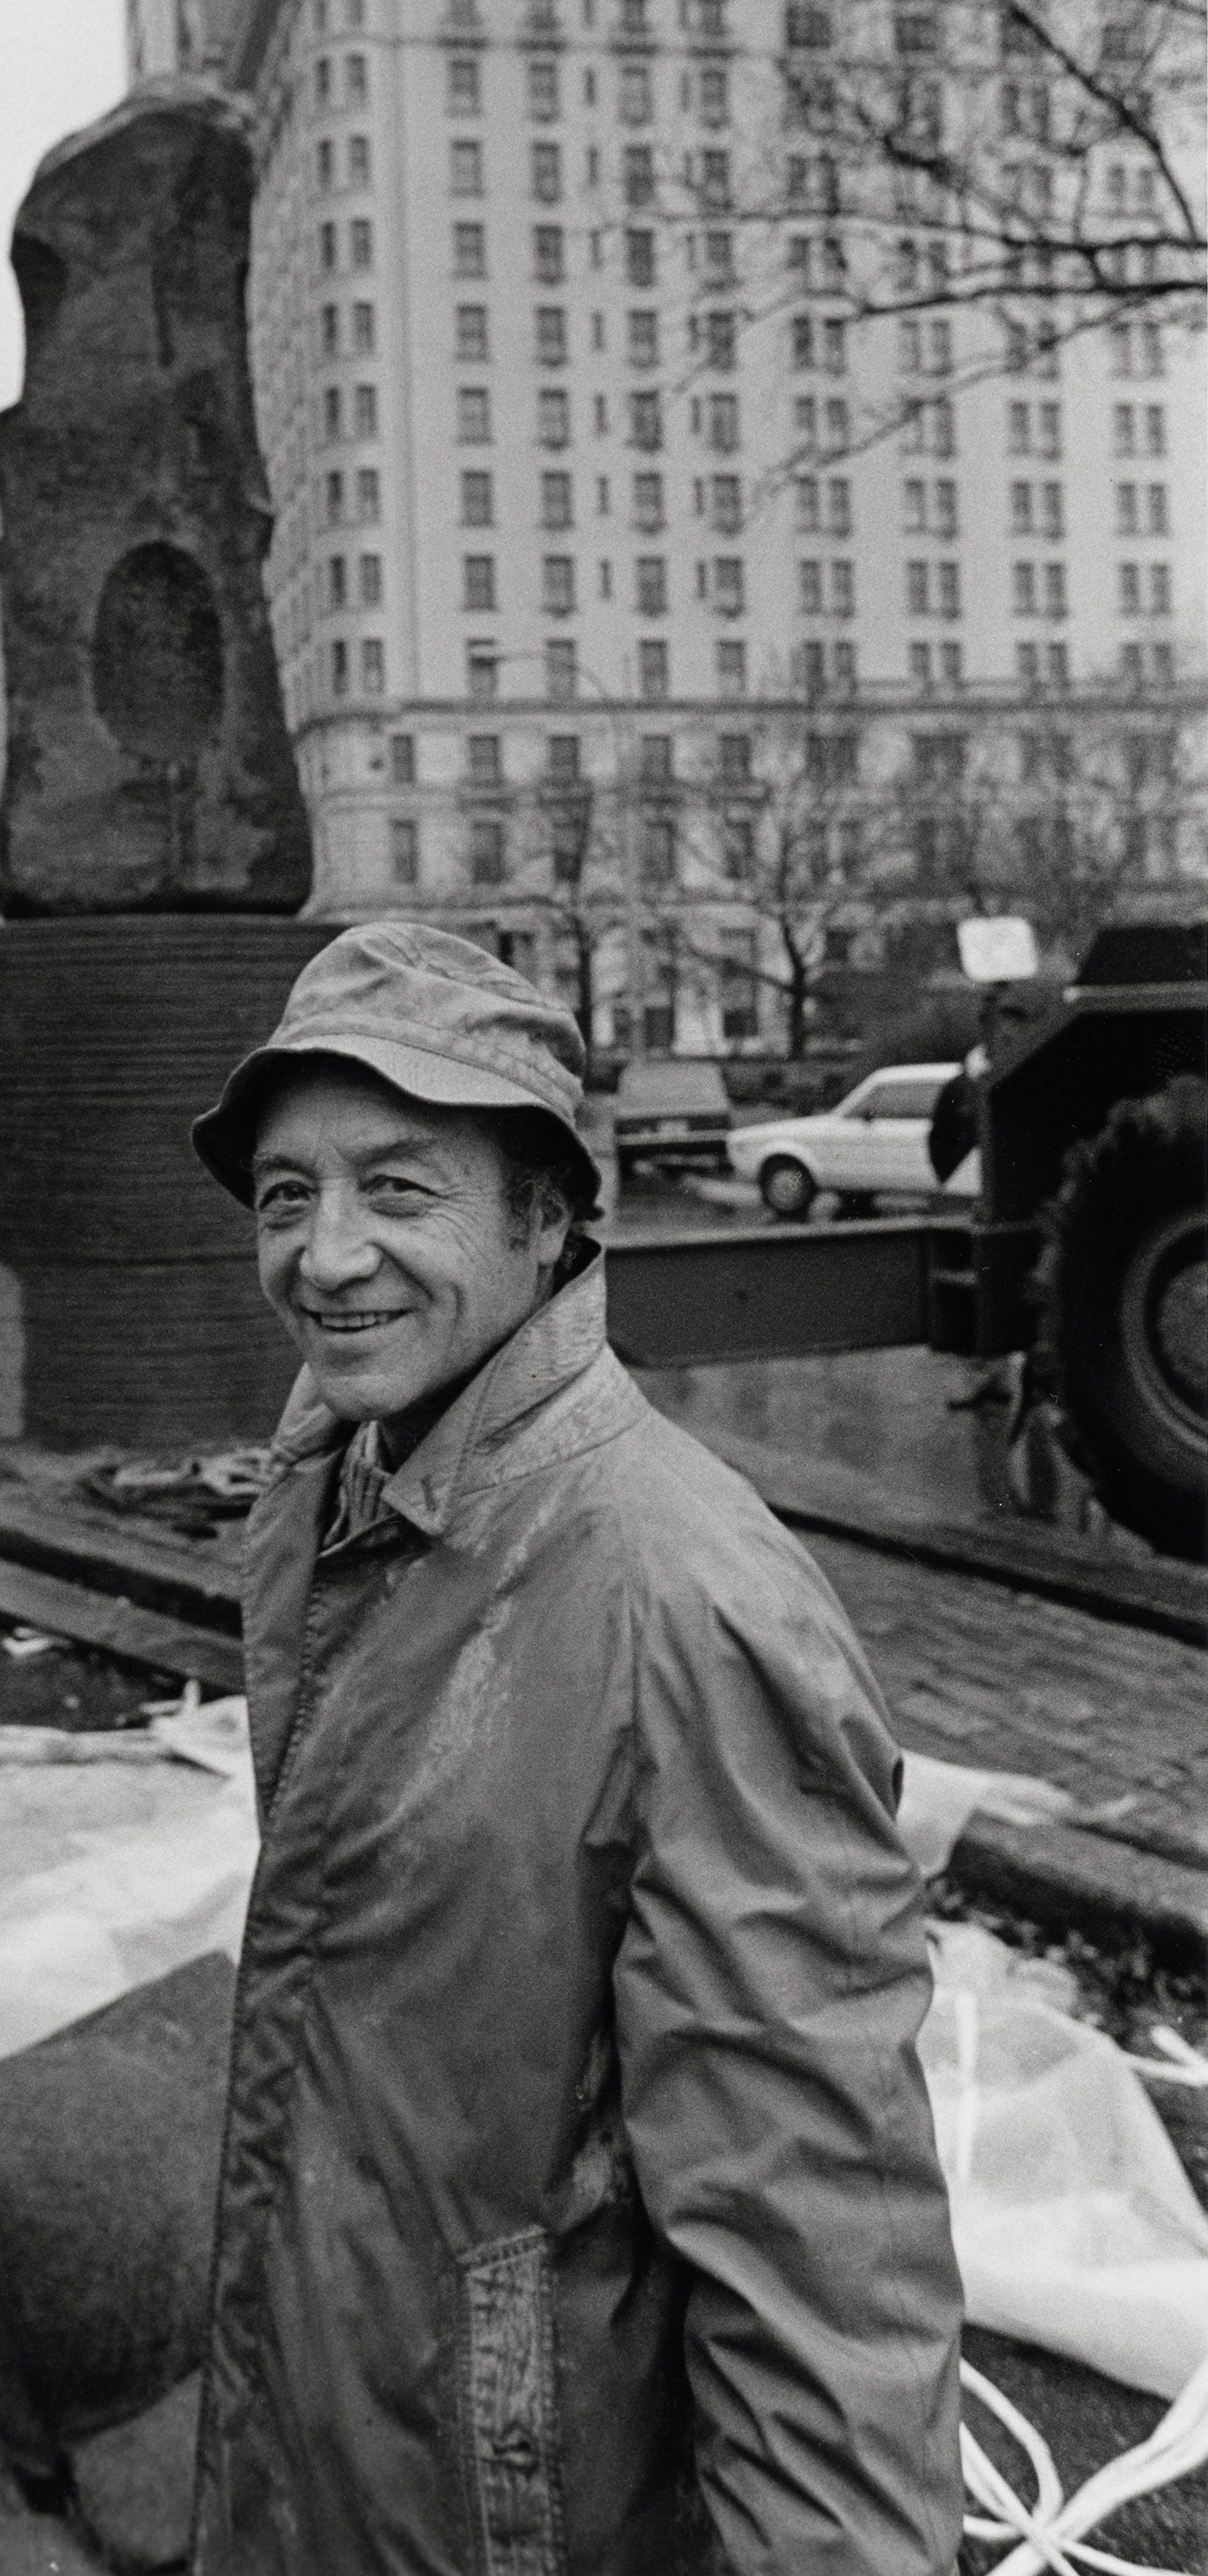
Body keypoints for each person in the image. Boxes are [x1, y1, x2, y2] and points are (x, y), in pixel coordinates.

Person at [186, 921, 963, 2575]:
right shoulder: (341, 1492)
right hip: (341, 2451)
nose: (324, 1257)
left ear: (544, 1221)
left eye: (397, 1192)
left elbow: (814, 2243)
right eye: (283, 1195)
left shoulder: (677, 1602)